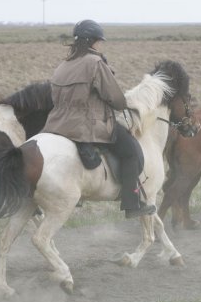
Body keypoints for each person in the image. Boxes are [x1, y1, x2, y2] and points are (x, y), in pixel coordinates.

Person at [42, 19, 156, 218]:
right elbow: (116, 99)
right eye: (98, 41)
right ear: (92, 41)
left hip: (57, 124)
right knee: (131, 151)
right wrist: (121, 104)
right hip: (88, 125)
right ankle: (132, 204)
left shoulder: (63, 65)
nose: (100, 45)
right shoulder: (95, 63)